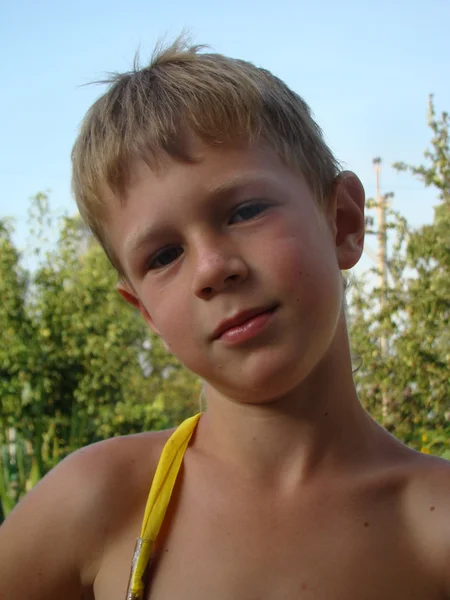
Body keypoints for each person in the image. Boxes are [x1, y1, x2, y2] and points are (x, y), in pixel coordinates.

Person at [0, 37, 449, 600]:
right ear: (146, 314)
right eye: (163, 256)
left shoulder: (435, 529)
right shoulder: (100, 501)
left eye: (245, 211)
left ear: (343, 221)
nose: (211, 269)